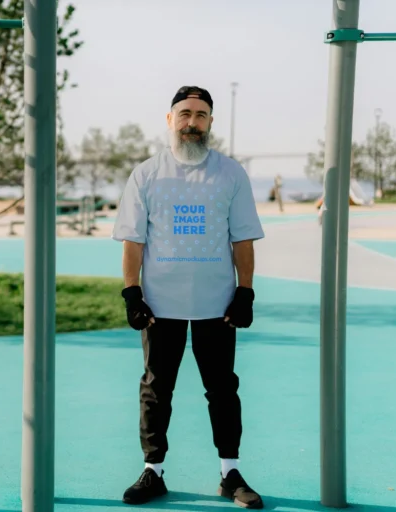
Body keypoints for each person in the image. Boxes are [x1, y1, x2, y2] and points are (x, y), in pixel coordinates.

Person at [111, 85, 265, 509]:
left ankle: (230, 473)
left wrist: (245, 291)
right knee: (156, 388)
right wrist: (132, 293)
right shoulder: (146, 174)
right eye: (184, 114)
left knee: (223, 389)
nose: (192, 122)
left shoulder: (230, 173)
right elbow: (133, 240)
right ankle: (153, 471)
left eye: (200, 115)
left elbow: (243, 238)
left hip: (217, 304)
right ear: (170, 120)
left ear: (210, 121)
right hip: (161, 306)